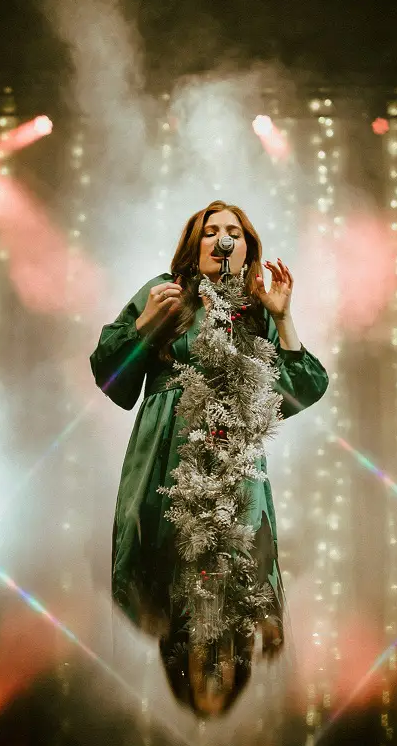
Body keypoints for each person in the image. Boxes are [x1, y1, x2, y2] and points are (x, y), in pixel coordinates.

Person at [90, 200, 328, 715]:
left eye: (234, 233)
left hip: (232, 462)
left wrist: (283, 318)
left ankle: (230, 686)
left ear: (248, 249)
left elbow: (298, 390)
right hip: (166, 453)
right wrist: (145, 326)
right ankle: (165, 692)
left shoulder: (258, 308)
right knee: (165, 564)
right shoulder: (166, 292)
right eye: (211, 231)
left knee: (234, 569)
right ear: (193, 246)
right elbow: (110, 375)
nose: (223, 240)